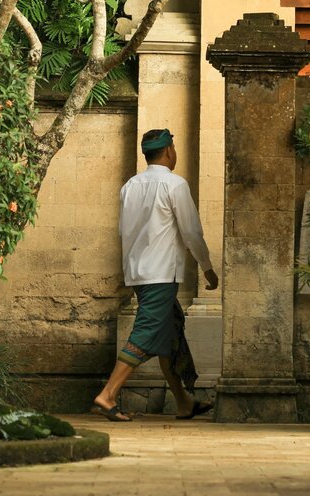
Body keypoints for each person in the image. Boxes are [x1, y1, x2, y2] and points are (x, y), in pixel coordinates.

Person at [92, 128, 219, 423]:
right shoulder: (174, 185)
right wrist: (207, 267)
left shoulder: (130, 186)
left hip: (138, 272)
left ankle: (184, 401)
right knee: (147, 333)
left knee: (169, 332)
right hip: (161, 273)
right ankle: (108, 395)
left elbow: (124, 231)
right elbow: (191, 232)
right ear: (169, 151)